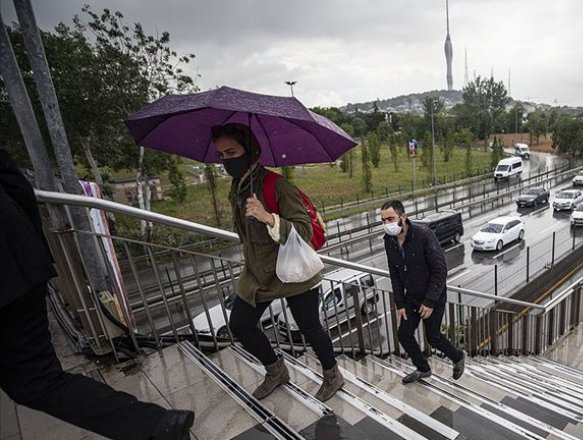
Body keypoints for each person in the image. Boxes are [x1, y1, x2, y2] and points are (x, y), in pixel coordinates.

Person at [0, 147, 194, 439]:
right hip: (19, 261)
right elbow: (16, 185)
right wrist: (30, 247)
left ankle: (155, 426)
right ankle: (154, 424)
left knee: (36, 381)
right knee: (40, 379)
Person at [212, 123, 343, 402]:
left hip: (292, 273)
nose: (226, 160)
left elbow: (304, 231)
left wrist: (269, 218)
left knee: (309, 328)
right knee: (240, 324)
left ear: (250, 150)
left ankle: (333, 375)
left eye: (232, 152)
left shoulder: (277, 186)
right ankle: (276, 370)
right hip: (257, 275)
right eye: (221, 155)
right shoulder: (237, 188)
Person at [380, 200, 466, 384]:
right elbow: (394, 273)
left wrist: (429, 301)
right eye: (383, 220)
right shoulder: (389, 241)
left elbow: (440, 270)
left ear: (403, 217)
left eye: (390, 219)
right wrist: (400, 303)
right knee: (403, 333)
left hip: (432, 295)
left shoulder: (424, 235)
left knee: (433, 337)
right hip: (411, 296)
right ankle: (423, 368)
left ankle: (458, 356)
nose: (387, 224)